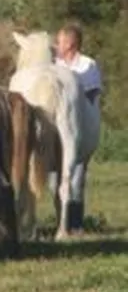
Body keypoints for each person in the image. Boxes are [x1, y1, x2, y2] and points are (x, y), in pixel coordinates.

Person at [54, 22, 102, 234]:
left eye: (61, 41)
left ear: (70, 43)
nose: (57, 45)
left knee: (76, 178)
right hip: (57, 126)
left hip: (80, 125)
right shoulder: (55, 66)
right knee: (54, 180)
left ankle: (76, 224)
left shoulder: (87, 65)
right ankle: (60, 221)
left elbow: (92, 94)